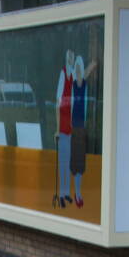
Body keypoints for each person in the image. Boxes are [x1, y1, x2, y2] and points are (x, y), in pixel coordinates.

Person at [69, 55, 97, 209]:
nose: (79, 73)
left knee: (79, 164)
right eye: (77, 70)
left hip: (80, 128)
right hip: (75, 127)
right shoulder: (74, 83)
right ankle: (76, 192)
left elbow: (90, 67)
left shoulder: (82, 83)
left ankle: (78, 193)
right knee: (76, 163)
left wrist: (93, 62)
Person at [54, 50, 75, 209]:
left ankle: (66, 193)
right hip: (62, 126)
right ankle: (61, 195)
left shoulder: (73, 74)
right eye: (69, 57)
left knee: (68, 162)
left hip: (70, 126)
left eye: (72, 58)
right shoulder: (63, 74)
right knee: (62, 162)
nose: (71, 60)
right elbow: (58, 102)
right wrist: (56, 128)